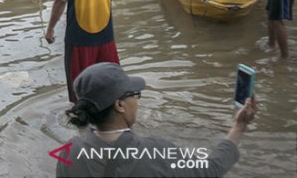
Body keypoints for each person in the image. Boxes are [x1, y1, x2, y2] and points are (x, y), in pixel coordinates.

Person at [57, 62, 256, 177]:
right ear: (120, 105)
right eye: (134, 94)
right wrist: (239, 126)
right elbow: (212, 169)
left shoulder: (67, 153)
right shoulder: (158, 153)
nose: (137, 100)